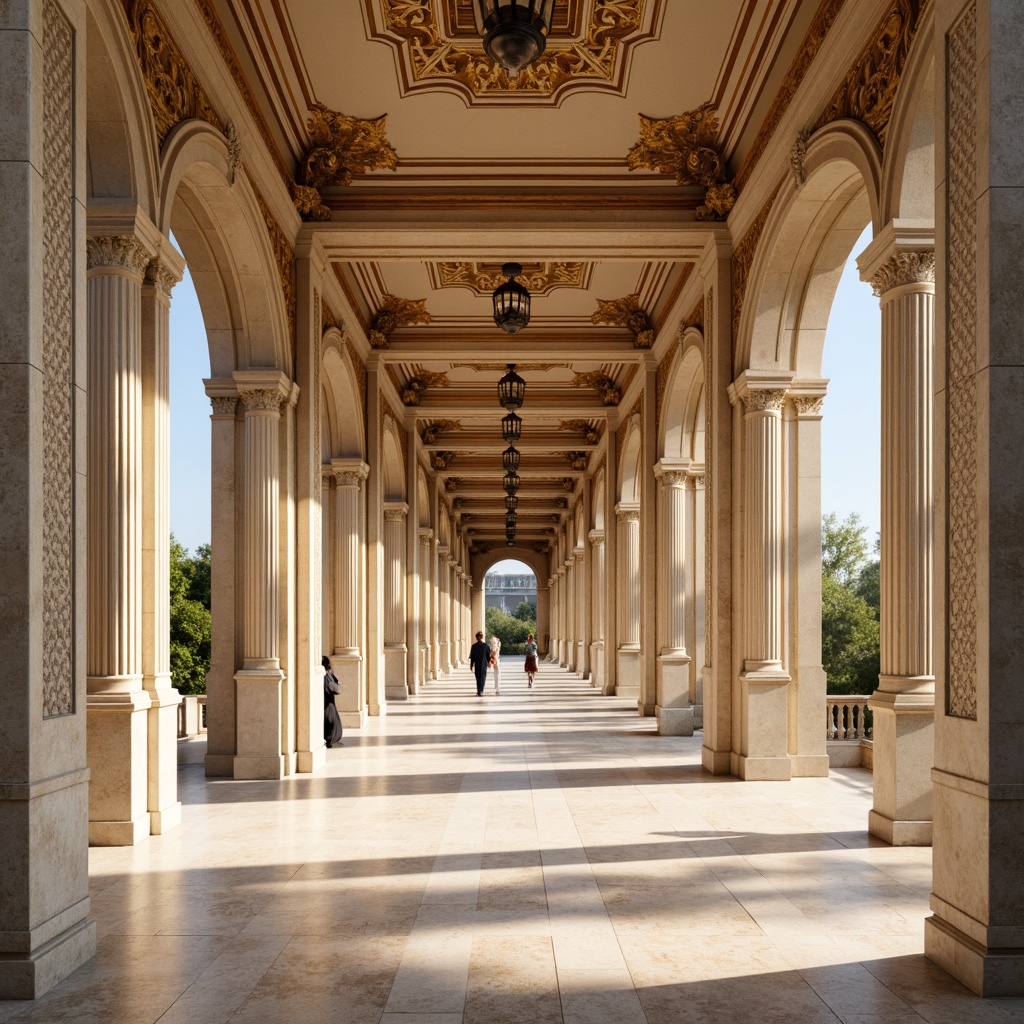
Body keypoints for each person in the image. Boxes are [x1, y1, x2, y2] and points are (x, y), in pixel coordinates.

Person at [323, 655, 343, 748]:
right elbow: (337, 687)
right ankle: (328, 739)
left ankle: (328, 739)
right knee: (329, 721)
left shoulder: (327, 674)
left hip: (327, 703)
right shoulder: (326, 675)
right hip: (328, 704)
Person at [469, 631, 491, 697]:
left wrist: (471, 665)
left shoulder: (474, 646)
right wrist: (489, 662)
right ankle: (481, 691)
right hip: (483, 664)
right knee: (483, 677)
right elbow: (488, 656)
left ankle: (478, 691)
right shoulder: (486, 646)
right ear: (482, 637)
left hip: (477, 664)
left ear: (476, 638)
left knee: (478, 677)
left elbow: (472, 657)